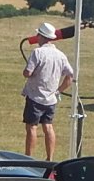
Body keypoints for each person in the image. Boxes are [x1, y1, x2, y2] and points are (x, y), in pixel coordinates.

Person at [21, 21, 74, 160]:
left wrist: (28, 73)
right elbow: (70, 76)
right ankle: (49, 157)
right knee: (48, 127)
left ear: (41, 36)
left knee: (32, 127)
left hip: (35, 96)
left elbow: (27, 72)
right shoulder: (61, 55)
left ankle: (28, 157)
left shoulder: (37, 52)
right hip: (51, 98)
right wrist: (58, 91)